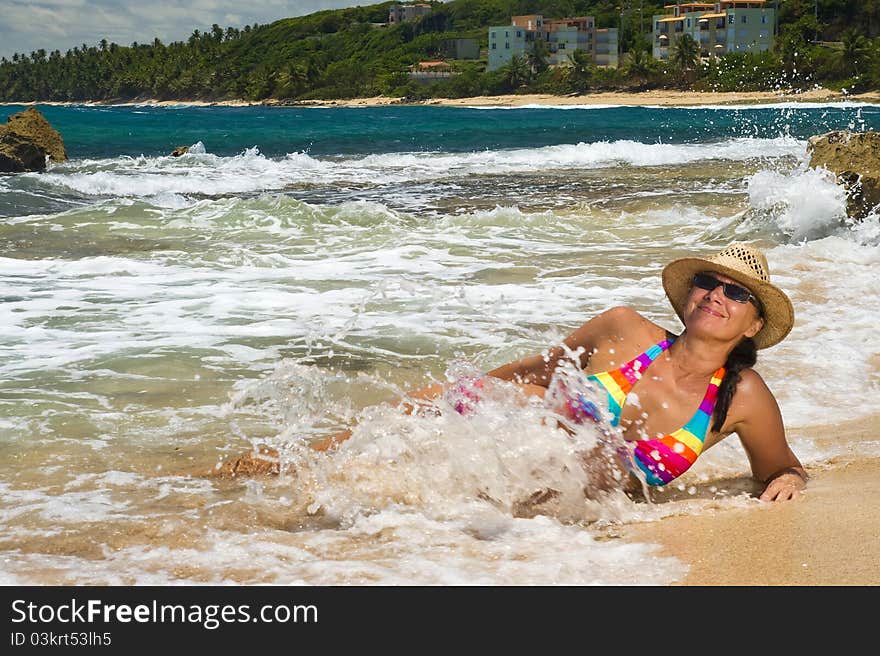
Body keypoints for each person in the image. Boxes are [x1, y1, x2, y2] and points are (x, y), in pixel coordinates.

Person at [211, 242, 807, 503]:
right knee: (345, 482)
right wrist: (453, 398)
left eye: (735, 292)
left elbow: (779, 466)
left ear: (754, 325)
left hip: (570, 519)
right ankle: (281, 462)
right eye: (708, 281)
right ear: (688, 294)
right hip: (494, 457)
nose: (715, 294)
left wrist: (791, 481)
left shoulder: (743, 397)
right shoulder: (624, 329)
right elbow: (530, 373)